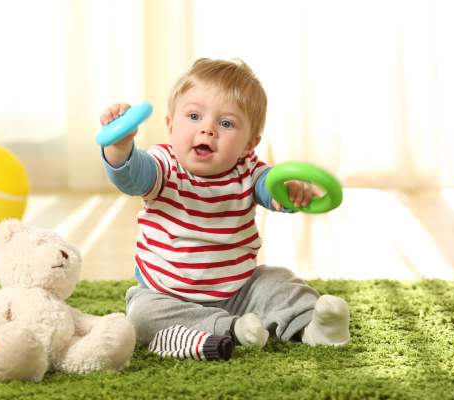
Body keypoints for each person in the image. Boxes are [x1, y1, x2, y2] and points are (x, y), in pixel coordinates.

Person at [99, 58, 350, 348]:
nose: (207, 129)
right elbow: (131, 177)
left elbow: (271, 187)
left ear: (248, 144)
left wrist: (291, 189)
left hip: (239, 289)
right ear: (170, 126)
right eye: (194, 116)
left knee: (282, 283)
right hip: (166, 292)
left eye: (226, 123)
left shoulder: (248, 170)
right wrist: (119, 146)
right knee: (141, 319)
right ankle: (231, 329)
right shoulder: (163, 165)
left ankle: (314, 327)